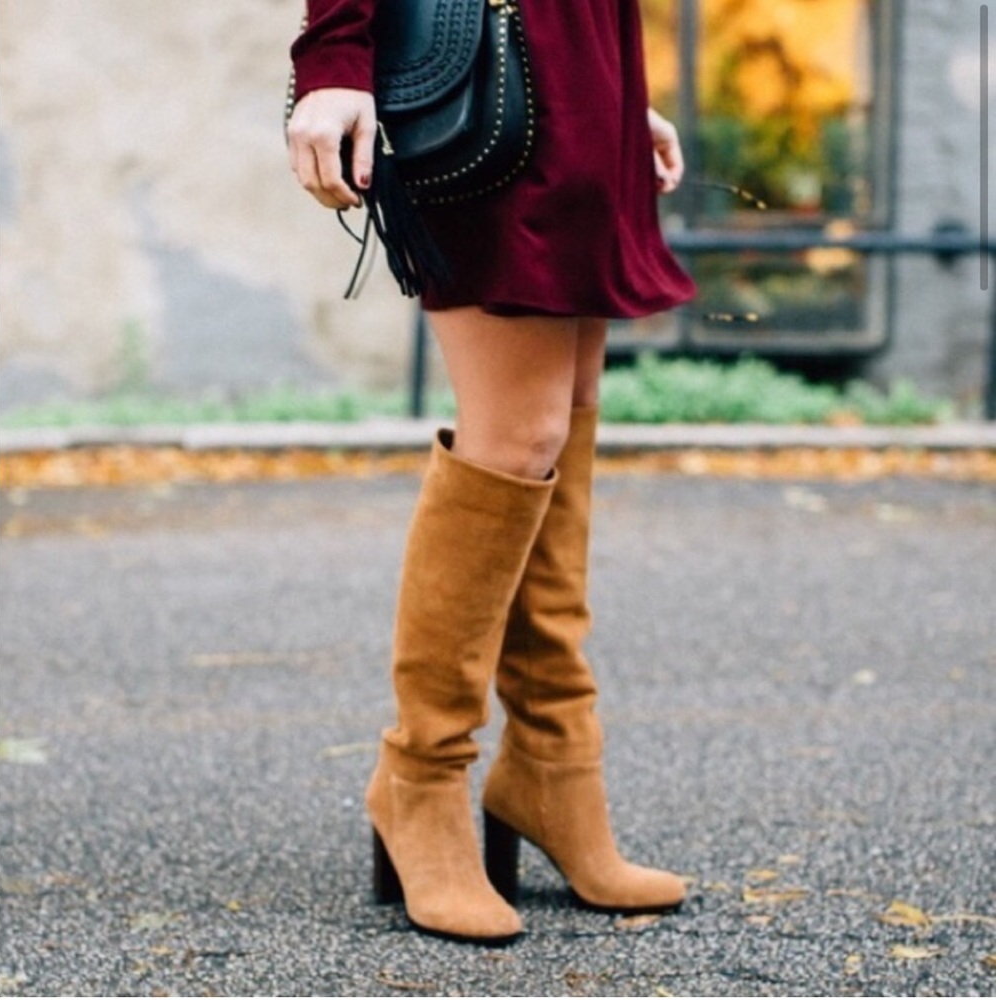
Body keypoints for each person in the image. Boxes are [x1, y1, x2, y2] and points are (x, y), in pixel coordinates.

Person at [287, 0, 696, 944]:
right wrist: (336, 58)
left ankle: (553, 764)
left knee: (565, 413)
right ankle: (420, 776)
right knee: (517, 434)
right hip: (488, 75)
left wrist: (611, 89)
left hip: (572, 64)